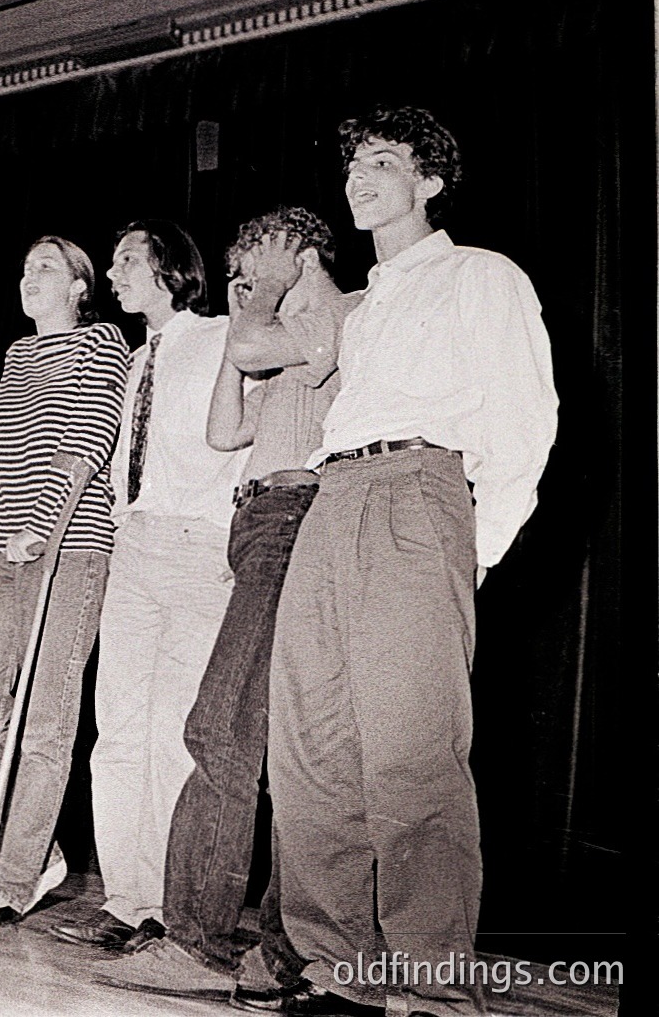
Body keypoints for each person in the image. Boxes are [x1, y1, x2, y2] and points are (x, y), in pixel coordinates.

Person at [236, 109, 556, 1017]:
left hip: (421, 495)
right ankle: (339, 968)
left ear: (431, 183)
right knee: (310, 749)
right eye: (353, 165)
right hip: (329, 499)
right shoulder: (363, 307)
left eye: (385, 162)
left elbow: (525, 422)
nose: (361, 177)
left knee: (412, 754)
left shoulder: (480, 274)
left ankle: (433, 990)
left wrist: (467, 551)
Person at [95, 208, 359, 1000]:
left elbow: (247, 343)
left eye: (258, 260)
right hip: (256, 517)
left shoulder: (338, 314)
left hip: (294, 514)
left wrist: (255, 301)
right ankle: (232, 940)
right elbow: (221, 431)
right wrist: (256, 307)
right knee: (237, 731)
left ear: (302, 254)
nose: (243, 278)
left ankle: (205, 941)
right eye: (237, 267)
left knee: (226, 728)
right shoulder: (265, 340)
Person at [51, 221, 249, 952]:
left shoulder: (228, 335)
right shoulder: (135, 361)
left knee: (173, 732)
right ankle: (124, 898)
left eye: (128, 258)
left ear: (171, 268)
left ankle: (167, 906)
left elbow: (247, 434)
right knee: (119, 731)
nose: (114, 270)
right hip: (133, 544)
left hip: (198, 545)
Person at [0, 237, 130, 924]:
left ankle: (19, 873)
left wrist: (44, 526)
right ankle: (42, 846)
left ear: (81, 285)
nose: (29, 278)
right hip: (0, 548)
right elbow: (6, 457)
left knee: (46, 724)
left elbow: (86, 441)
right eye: (24, 268)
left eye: (46, 268)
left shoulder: (101, 342)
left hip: (70, 547)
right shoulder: (17, 355)